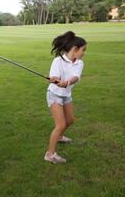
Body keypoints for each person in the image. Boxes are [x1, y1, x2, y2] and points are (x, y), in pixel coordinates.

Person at [44, 31, 87, 163]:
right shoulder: (58, 61)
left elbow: (75, 77)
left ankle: (60, 137)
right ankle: (50, 154)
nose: (84, 53)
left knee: (70, 120)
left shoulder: (79, 63)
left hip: (66, 95)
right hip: (54, 95)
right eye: (83, 50)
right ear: (75, 49)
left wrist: (66, 83)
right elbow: (55, 76)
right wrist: (56, 80)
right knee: (60, 125)